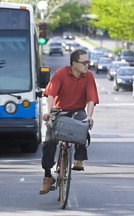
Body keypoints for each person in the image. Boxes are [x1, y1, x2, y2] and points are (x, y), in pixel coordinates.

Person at [39, 49, 99, 195]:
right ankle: (47, 176)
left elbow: (91, 99)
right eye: (84, 62)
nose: (87, 65)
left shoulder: (89, 76)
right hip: (59, 110)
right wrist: (48, 112)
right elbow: (51, 94)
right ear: (74, 64)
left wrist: (89, 117)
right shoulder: (61, 73)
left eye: (88, 62)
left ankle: (79, 159)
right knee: (49, 142)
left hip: (78, 110)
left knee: (83, 125)